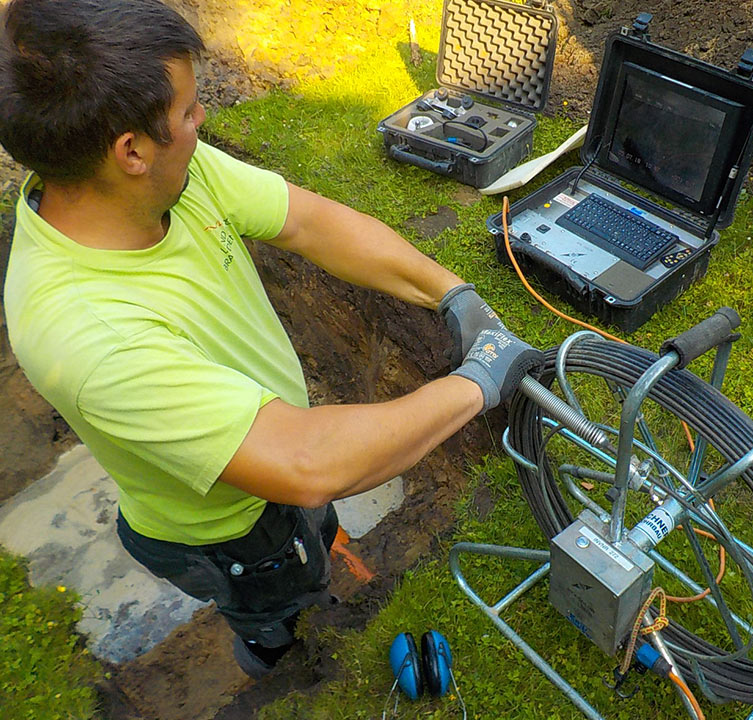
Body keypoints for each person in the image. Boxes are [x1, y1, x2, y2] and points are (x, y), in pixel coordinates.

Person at [0, 0, 542, 678]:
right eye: (191, 112)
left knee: (312, 531)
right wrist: (478, 383)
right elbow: (308, 463)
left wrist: (452, 295)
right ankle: (273, 654)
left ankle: (310, 570)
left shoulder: (162, 183)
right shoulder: (85, 337)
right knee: (273, 598)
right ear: (130, 150)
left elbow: (310, 225)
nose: (204, 122)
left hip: (275, 467)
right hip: (227, 531)